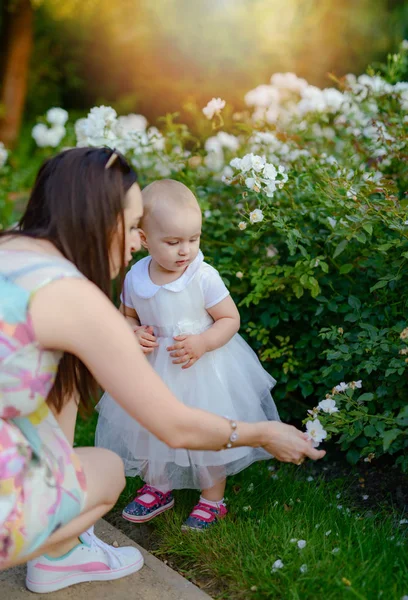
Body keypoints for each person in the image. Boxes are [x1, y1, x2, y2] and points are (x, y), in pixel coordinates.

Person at [0, 147, 324, 594]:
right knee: (110, 469)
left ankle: (62, 540)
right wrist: (265, 432)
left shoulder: (9, 248)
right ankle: (60, 549)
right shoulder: (69, 295)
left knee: (61, 384)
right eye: (132, 226)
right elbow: (174, 425)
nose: (135, 241)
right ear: (94, 218)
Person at [95, 179, 282, 531]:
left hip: (200, 368)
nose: (185, 250)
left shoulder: (202, 276)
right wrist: (133, 332)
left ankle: (212, 500)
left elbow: (230, 319)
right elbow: (127, 315)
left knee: (205, 434)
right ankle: (158, 486)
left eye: (193, 239)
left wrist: (204, 342)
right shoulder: (135, 278)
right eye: (173, 242)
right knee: (148, 428)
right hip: (153, 370)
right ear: (145, 239)